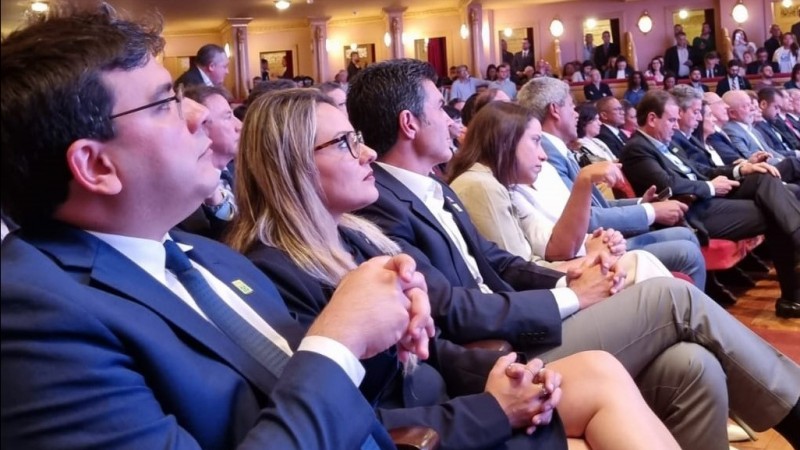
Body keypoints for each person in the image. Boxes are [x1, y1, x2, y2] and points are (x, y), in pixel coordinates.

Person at [0, 5, 437, 449]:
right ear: (96, 165)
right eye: (165, 102)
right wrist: (341, 340)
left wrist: (379, 326)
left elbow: (300, 399)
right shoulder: (32, 315)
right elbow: (322, 370)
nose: (199, 114)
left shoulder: (208, 257)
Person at [347, 58, 800, 450]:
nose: (452, 121)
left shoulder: (434, 188)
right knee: (671, 298)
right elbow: (453, 307)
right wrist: (573, 297)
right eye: (440, 110)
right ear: (410, 124)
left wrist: (570, 279)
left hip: (525, 324)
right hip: (499, 355)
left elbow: (498, 263)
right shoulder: (383, 205)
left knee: (692, 366)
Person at [227, 87, 680, 450]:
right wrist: (493, 406)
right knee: (659, 311)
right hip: (438, 427)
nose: (366, 154)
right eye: (345, 143)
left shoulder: (356, 238)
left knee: (677, 364)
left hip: (460, 394)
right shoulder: (271, 270)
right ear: (293, 166)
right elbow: (346, 415)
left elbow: (437, 344)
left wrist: (496, 373)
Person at [447, 101, 672, 287]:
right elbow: (517, 277)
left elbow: (548, 248)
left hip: (552, 280)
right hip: (542, 305)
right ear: (505, 141)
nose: (543, 156)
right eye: (535, 141)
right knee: (642, 263)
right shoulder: (482, 186)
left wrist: (591, 245)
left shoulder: (502, 185)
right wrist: (590, 259)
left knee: (645, 267)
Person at [619, 89, 800, 317]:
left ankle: (793, 295)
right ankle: (792, 298)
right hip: (693, 212)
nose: (675, 126)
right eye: (672, 120)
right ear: (652, 119)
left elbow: (700, 170)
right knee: (774, 212)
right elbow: (667, 185)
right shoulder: (636, 149)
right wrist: (711, 187)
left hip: (708, 199)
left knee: (763, 176)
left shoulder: (665, 143)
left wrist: (740, 168)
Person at [518, 78, 707, 290]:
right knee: (686, 249)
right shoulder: (544, 155)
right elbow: (584, 218)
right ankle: (692, 314)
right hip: (588, 247)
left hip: (597, 239)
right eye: (571, 105)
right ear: (555, 110)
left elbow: (595, 207)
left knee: (686, 236)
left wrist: (640, 203)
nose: (577, 113)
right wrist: (650, 211)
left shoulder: (555, 149)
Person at [177, 85, 241, 240]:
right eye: (227, 117)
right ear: (199, 127)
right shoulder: (183, 200)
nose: (240, 125)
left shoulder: (243, 171)